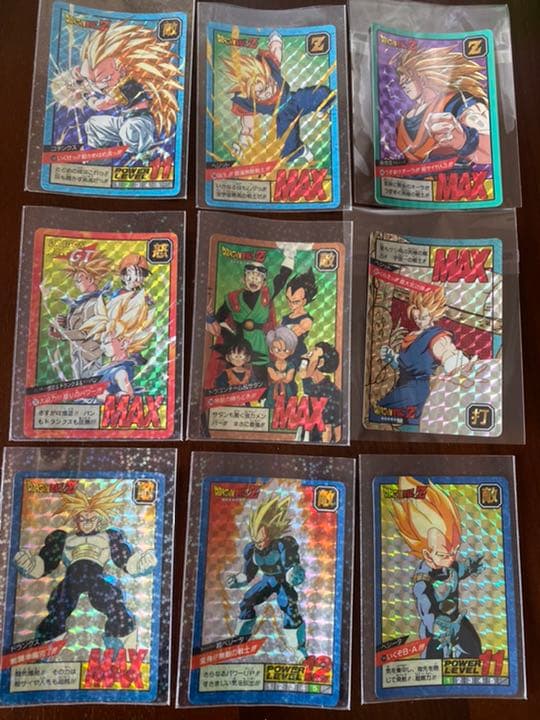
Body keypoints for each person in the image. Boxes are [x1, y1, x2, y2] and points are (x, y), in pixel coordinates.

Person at [14, 482, 156, 650]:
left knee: (114, 602)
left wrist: (140, 564)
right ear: (76, 519)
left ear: (99, 519)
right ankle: (49, 641)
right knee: (59, 606)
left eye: (92, 518)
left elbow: (124, 559)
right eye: (83, 518)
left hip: (96, 577)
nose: (87, 522)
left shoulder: (108, 537)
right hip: (72, 578)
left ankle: (121, 641)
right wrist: (30, 565)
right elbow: (46, 562)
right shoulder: (65, 538)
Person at [58, 21, 182, 160]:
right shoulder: (113, 82)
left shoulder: (128, 85)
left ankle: (142, 154)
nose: (102, 85)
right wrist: (82, 79)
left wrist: (89, 99)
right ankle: (100, 154)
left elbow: (105, 104)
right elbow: (94, 81)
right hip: (125, 120)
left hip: (140, 122)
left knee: (129, 131)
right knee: (93, 123)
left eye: (106, 78)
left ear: (122, 68)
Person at [390, 476, 484, 659]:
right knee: (435, 657)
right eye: (443, 555)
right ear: (428, 555)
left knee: (472, 647)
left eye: (454, 552)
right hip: (435, 628)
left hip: (455, 620)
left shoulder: (450, 565)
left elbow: (458, 570)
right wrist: (438, 626)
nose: (450, 559)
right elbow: (426, 607)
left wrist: (470, 567)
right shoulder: (423, 581)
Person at [225, 31, 334, 162]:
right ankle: (302, 151)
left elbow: (276, 50)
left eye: (268, 84)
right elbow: (247, 128)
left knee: (323, 93)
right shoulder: (247, 101)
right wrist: (243, 144)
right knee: (287, 150)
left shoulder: (269, 67)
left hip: (294, 100)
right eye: (260, 92)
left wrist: (275, 40)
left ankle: (321, 109)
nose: (267, 92)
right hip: (283, 117)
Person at [376, 287, 474, 428]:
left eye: (423, 318)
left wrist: (462, 367)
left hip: (417, 395)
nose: (419, 322)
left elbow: (449, 355)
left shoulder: (436, 337)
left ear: (433, 315)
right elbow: (405, 365)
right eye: (416, 318)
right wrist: (392, 358)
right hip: (401, 390)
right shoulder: (412, 336)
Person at [225, 495, 307, 658]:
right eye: (256, 541)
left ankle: (298, 648)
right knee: (247, 601)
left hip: (283, 581)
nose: (259, 544)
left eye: (262, 540)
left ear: (271, 533)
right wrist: (237, 580)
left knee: (288, 606)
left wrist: (293, 574)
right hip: (267, 581)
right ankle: (241, 639)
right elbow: (247, 573)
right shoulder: (252, 549)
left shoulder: (283, 545)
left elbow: (292, 567)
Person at [206, 244, 299, 381]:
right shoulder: (232, 298)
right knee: (235, 377)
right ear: (243, 279)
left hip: (259, 343)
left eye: (258, 277)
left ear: (264, 282)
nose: (254, 280)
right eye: (250, 276)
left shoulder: (267, 294)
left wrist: (290, 257)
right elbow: (219, 319)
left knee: (260, 377)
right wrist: (222, 328)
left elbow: (281, 278)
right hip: (238, 344)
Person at [393, 45, 491, 166]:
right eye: (401, 83)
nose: (403, 85)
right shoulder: (403, 122)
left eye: (407, 80)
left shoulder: (456, 102)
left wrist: (465, 141)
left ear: (422, 78)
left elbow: (490, 147)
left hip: (456, 174)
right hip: (414, 175)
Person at [49, 246, 111, 380]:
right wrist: (65, 322)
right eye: (75, 281)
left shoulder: (94, 303)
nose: (77, 284)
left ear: (90, 279)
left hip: (90, 359)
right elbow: (80, 323)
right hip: (79, 356)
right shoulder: (82, 302)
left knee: (90, 389)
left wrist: (61, 334)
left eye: (79, 279)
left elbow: (86, 332)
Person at [80, 290, 154, 400]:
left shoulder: (120, 371)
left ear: (124, 343)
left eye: (107, 343)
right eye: (102, 343)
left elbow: (127, 397)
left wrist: (103, 395)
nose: (102, 347)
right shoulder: (110, 367)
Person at [298, 341, 342, 442]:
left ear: (320, 363)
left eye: (311, 355)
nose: (306, 357)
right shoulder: (309, 385)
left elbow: (329, 430)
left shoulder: (330, 392)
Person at [281, 268, 317, 369]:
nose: (290, 304)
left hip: (297, 355)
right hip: (284, 353)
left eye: (295, 302)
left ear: (304, 301)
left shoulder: (306, 320)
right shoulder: (285, 318)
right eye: (288, 300)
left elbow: (292, 334)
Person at [265, 326, 298, 407]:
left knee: (287, 407)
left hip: (287, 391)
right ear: (271, 350)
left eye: (286, 350)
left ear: (292, 351)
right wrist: (283, 375)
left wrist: (280, 375)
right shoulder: (270, 364)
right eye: (277, 350)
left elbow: (288, 379)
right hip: (273, 391)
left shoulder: (290, 365)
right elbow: (274, 377)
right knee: (271, 406)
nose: (282, 353)